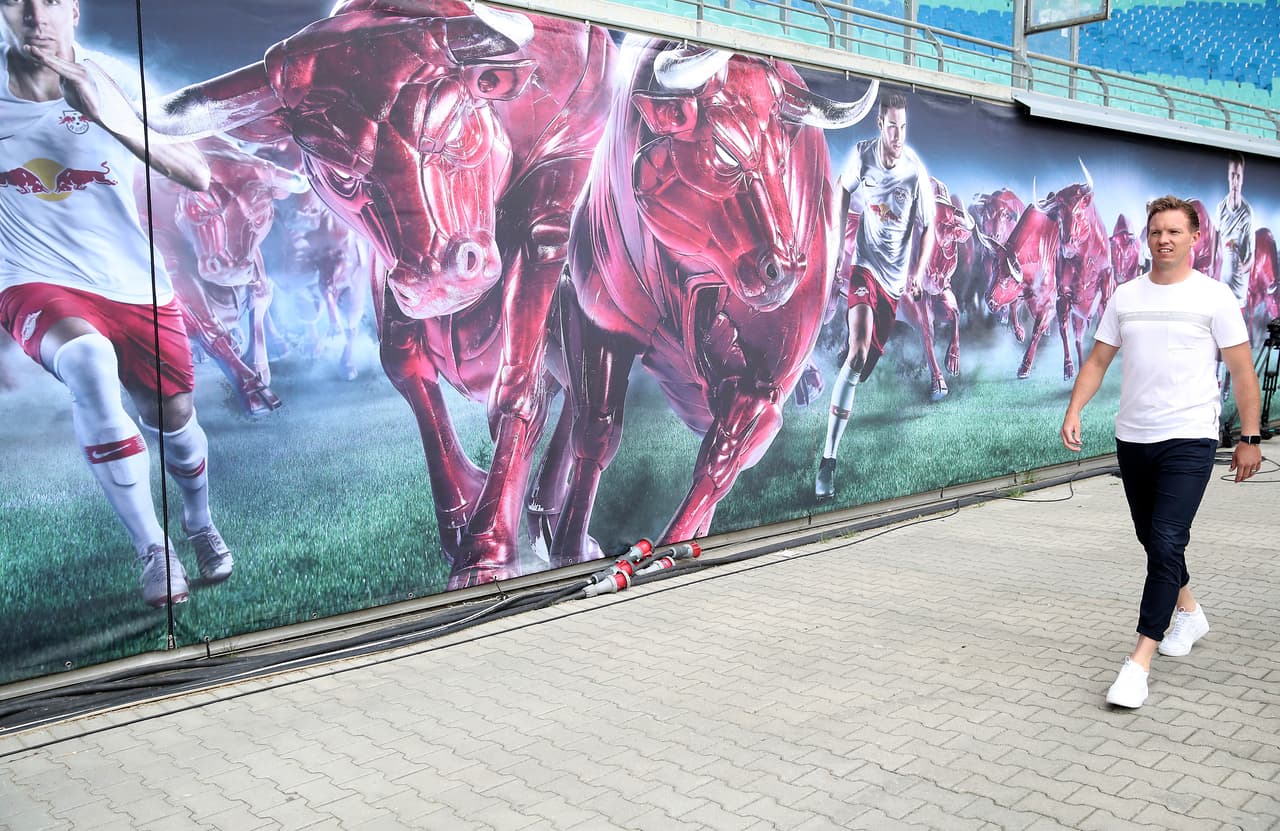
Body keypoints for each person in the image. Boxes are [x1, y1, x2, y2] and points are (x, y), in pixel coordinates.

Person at [0, 0, 231, 607]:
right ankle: (155, 552)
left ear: (73, 11)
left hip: (134, 285)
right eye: (14, 1)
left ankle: (199, 523)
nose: (31, 15)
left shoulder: (113, 80)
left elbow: (199, 173)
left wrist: (110, 118)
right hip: (32, 277)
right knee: (87, 362)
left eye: (47, 1)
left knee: (175, 425)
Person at [1061, 195, 1262, 710]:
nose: (1164, 239)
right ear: (1147, 238)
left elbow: (1242, 371)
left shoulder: (1215, 297)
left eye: (1175, 231)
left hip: (1190, 437)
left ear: (1196, 238)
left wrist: (1250, 437)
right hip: (1133, 437)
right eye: (1156, 231)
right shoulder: (1125, 296)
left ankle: (1138, 661)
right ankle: (1190, 611)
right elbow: (1099, 360)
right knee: (1154, 539)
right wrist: (1075, 408)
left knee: (1168, 538)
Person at [815, 90, 936, 500]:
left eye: (904, 127)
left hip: (894, 285)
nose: (898, 134)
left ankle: (854, 360)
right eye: (892, 126)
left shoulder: (914, 172)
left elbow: (929, 228)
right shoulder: (861, 156)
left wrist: (918, 272)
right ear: (879, 126)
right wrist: (839, 251)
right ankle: (828, 460)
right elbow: (841, 190)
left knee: (863, 364)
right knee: (858, 348)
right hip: (863, 269)